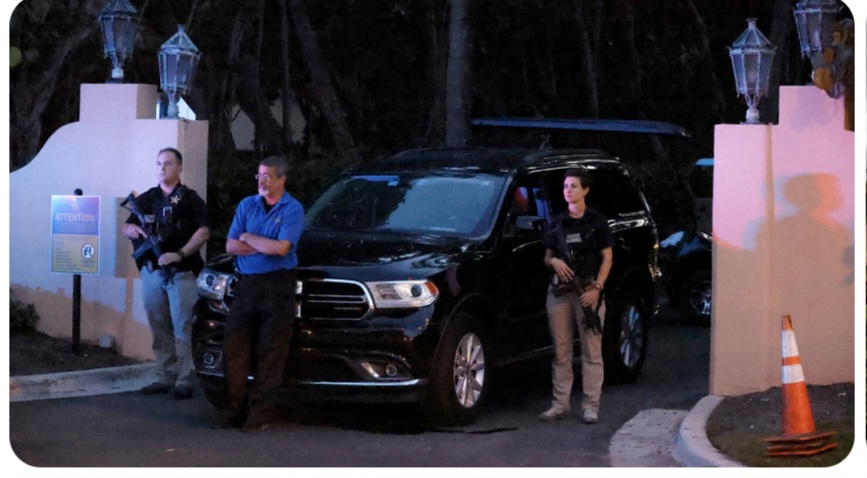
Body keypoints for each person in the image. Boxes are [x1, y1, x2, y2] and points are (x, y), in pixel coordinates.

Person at [211, 155, 305, 432]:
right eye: (259, 175)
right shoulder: (247, 205)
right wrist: (264, 245)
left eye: (267, 176)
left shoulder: (293, 208)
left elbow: (282, 249)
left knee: (271, 349)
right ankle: (233, 409)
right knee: (235, 344)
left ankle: (259, 414)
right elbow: (230, 245)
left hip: (278, 285)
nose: (261, 181)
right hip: (248, 284)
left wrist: (249, 237)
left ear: (281, 179)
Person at [122, 147, 209, 400]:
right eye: (159, 163)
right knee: (158, 325)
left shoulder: (190, 199)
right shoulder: (148, 198)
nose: (162, 168)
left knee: (183, 327)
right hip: (152, 272)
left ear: (179, 168)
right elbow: (128, 224)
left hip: (181, 272)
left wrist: (180, 253)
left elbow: (203, 232)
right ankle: (165, 375)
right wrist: (131, 229)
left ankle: (185, 379)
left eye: (168, 164)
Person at [538, 169, 613, 424]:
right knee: (561, 351)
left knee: (592, 350)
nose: (568, 190)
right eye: (565, 186)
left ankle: (590, 406)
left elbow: (607, 258)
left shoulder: (596, 221)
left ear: (585, 190)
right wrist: (555, 262)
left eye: (573, 186)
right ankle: (560, 404)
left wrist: (597, 288)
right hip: (561, 291)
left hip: (587, 289)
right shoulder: (558, 222)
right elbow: (547, 257)